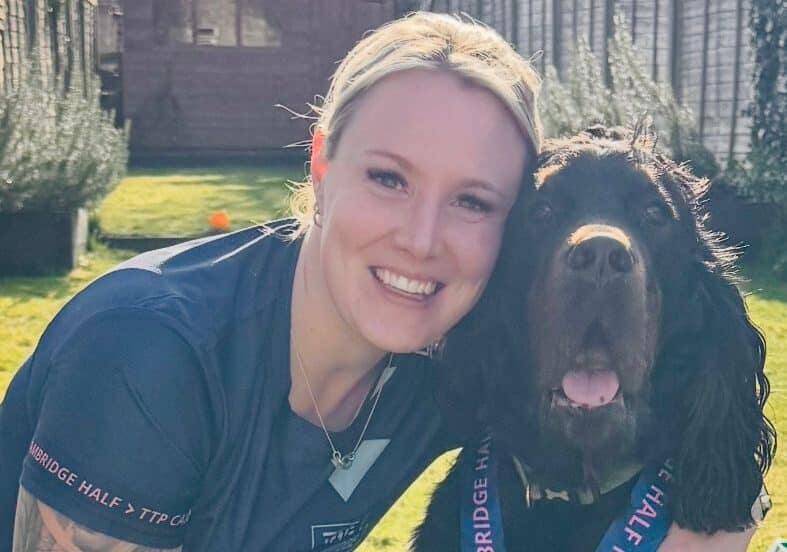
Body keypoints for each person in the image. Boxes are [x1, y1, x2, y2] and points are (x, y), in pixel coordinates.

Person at [0, 11, 759, 552]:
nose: (420, 239)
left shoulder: (452, 363)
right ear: (320, 163)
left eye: (470, 200)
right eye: (388, 178)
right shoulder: (148, 351)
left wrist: (719, 517)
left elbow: (702, 403)